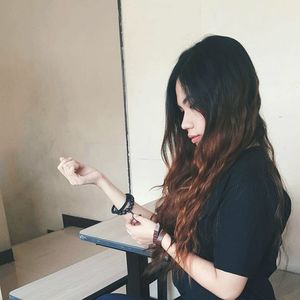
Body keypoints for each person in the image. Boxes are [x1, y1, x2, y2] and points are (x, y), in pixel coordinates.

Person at [57, 35, 292, 300]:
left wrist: (161, 240)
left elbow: (228, 287)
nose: (184, 124)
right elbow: (168, 227)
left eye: (192, 107)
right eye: (182, 110)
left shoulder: (248, 179)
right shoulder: (219, 164)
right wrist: (100, 180)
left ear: (226, 100)